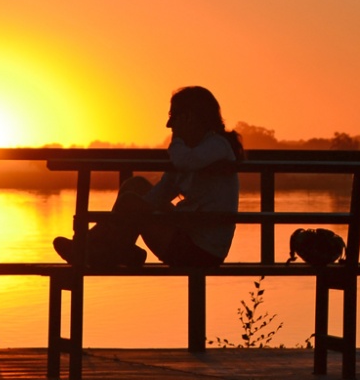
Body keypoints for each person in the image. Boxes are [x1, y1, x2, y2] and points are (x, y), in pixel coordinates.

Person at [54, 86, 244, 267]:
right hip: (186, 233)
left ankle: (88, 248)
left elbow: (187, 162)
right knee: (134, 186)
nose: (169, 124)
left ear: (190, 117)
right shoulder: (187, 154)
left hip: (201, 251)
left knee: (130, 201)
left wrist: (176, 140)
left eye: (173, 116)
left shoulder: (216, 145)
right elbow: (159, 195)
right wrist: (131, 215)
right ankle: (117, 248)